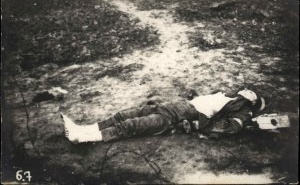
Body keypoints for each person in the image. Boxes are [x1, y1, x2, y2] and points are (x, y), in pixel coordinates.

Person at [61, 88, 266, 143]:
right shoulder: (226, 94)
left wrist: (198, 126)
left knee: (133, 125)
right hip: (175, 106)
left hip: (180, 116)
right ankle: (84, 128)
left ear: (253, 101)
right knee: (125, 115)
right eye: (248, 89)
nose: (248, 91)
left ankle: (82, 137)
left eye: (252, 94)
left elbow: (233, 126)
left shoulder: (244, 109)